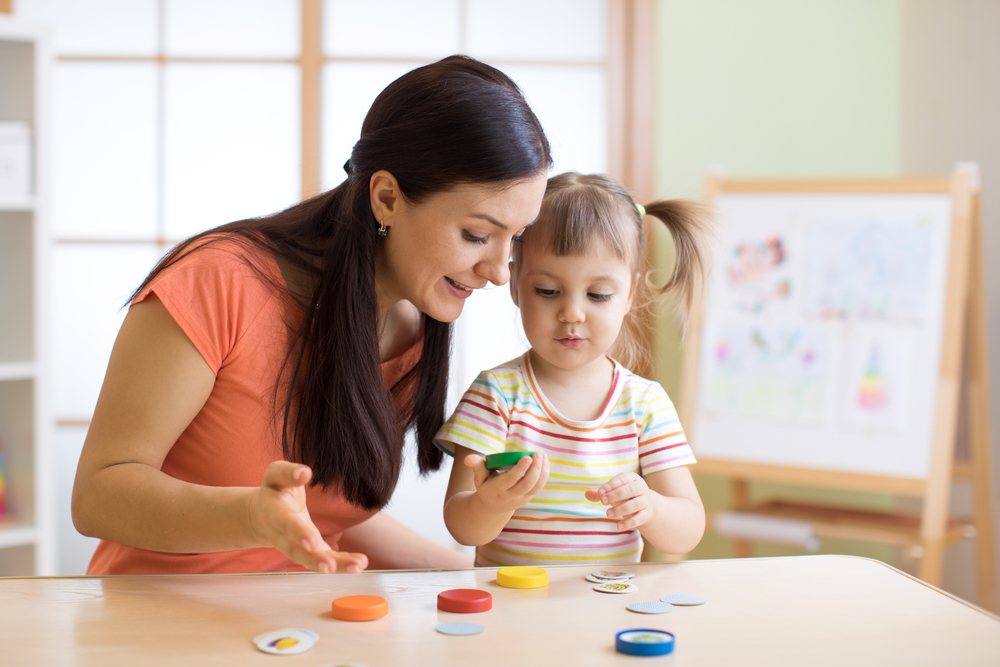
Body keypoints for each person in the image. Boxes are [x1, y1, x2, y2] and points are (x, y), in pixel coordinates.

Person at [71, 56, 552, 575]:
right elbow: (99, 495)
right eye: (477, 236)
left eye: (515, 239)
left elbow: (320, 511)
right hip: (156, 626)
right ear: (387, 198)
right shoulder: (219, 281)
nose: (500, 272)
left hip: (302, 631)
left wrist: (465, 572)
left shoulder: (410, 324)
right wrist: (251, 515)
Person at [437, 172, 711, 567]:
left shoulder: (644, 404)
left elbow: (688, 528)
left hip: (608, 608)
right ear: (515, 285)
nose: (572, 313)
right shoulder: (496, 393)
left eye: (598, 295)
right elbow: (461, 526)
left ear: (630, 293)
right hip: (513, 613)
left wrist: (649, 506)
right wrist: (490, 505)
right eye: (548, 291)